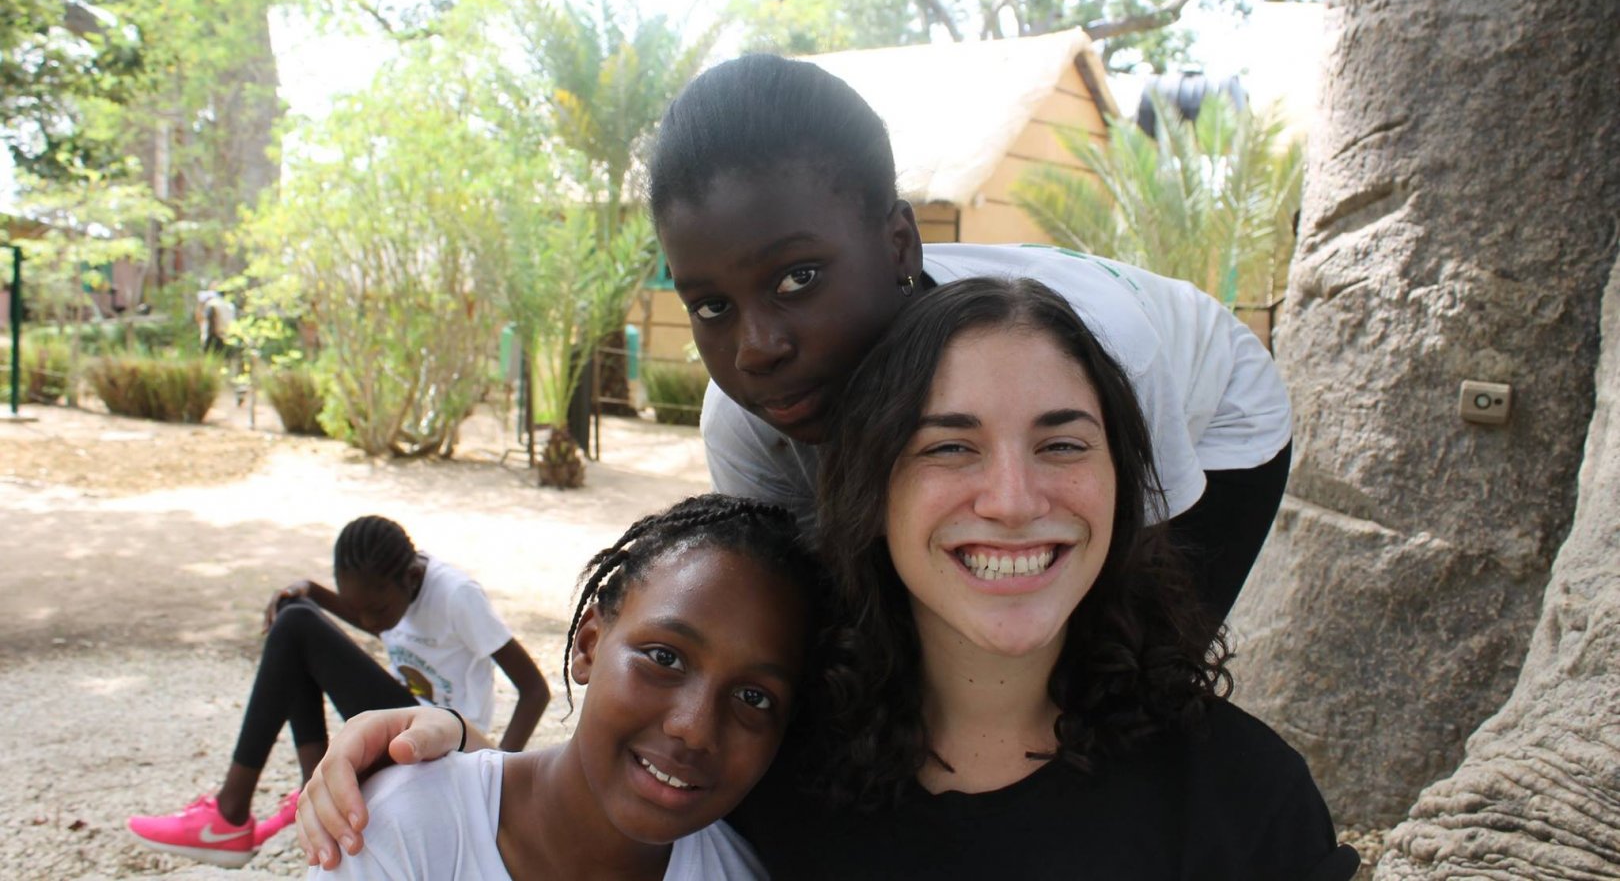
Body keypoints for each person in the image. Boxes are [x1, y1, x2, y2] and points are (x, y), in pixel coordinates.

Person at [296, 279, 1357, 879]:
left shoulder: (1238, 802)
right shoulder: (772, 769)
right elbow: (585, 801)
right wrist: (429, 754)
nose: (1013, 496)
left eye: (1063, 443)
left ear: (1124, 487)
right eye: (949, 447)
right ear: (870, 498)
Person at [649, 53, 1292, 627]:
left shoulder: (1083, 355)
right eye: (711, 305)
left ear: (899, 244)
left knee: (1129, 658)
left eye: (799, 278)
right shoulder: (747, 422)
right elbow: (796, 612)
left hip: (1220, 419)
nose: (755, 348)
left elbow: (1125, 571)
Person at [309, 494, 818, 880]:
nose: (694, 728)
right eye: (664, 658)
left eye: (753, 697)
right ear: (589, 644)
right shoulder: (401, 828)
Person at [127, 515, 548, 869]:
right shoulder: (389, 595)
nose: (370, 622)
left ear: (412, 577)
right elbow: (374, 618)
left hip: (444, 744)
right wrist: (312, 592)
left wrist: (495, 780)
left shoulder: (456, 595)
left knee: (295, 628)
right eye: (356, 608)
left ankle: (228, 814)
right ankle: (315, 793)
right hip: (402, 729)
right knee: (294, 618)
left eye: (376, 610)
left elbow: (534, 690)